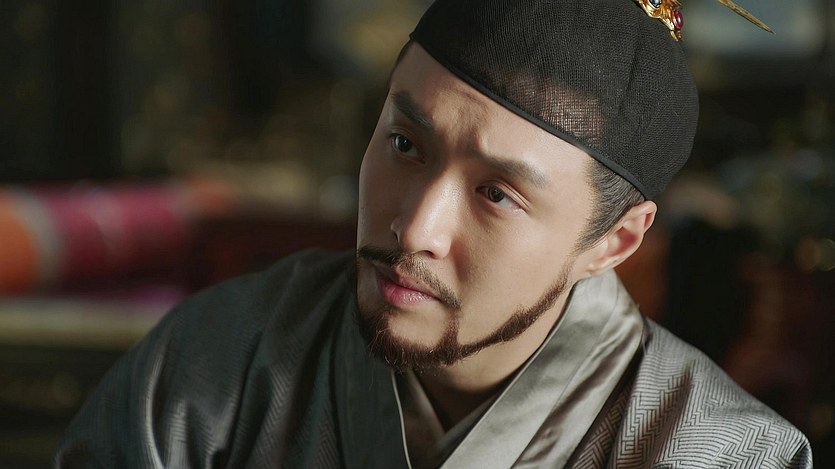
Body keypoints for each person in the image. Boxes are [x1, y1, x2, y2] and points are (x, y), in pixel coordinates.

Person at [55, 0, 812, 467]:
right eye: (405, 145)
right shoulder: (220, 359)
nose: (415, 226)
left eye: (497, 194)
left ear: (610, 242)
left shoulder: (719, 453)